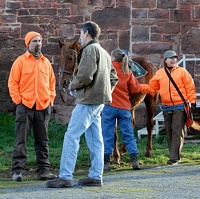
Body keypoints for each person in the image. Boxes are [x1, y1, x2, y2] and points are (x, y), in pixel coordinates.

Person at [46, 21, 118, 188]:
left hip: (87, 101)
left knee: (72, 135)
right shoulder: (105, 53)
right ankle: (95, 176)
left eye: (80, 34)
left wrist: (71, 85)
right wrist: (104, 91)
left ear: (87, 33)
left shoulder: (90, 50)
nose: (79, 38)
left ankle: (65, 176)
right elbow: (114, 78)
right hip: (98, 101)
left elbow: (85, 76)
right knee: (95, 140)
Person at [8, 31, 57, 181]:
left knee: (43, 140)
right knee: (21, 139)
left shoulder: (46, 62)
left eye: (39, 41)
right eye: (35, 41)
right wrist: (18, 101)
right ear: (28, 44)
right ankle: (17, 171)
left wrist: (50, 99)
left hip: (43, 106)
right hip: (25, 106)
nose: (38, 44)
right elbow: (12, 83)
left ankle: (43, 170)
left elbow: (51, 83)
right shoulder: (20, 61)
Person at [140, 50, 197, 165]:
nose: (173, 60)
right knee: (169, 132)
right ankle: (174, 155)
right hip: (166, 107)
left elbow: (190, 87)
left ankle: (174, 158)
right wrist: (137, 86)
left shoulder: (182, 72)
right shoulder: (160, 73)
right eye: (171, 58)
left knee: (177, 131)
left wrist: (193, 102)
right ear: (165, 60)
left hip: (180, 106)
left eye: (175, 58)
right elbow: (151, 89)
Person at [102, 49, 141, 171]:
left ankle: (106, 163)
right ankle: (134, 161)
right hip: (124, 107)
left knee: (107, 135)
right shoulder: (127, 71)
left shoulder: (107, 69)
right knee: (129, 135)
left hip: (109, 106)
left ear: (113, 58)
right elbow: (135, 89)